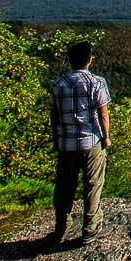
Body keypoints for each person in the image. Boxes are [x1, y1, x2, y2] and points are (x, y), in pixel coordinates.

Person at [48, 40, 112, 244]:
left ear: (71, 60)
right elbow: (103, 114)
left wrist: (56, 139)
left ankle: (62, 227)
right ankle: (91, 228)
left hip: (66, 143)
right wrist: (106, 137)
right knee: (93, 184)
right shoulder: (96, 82)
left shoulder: (58, 84)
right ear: (89, 60)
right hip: (91, 141)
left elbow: (54, 115)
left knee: (65, 186)